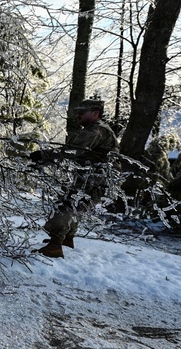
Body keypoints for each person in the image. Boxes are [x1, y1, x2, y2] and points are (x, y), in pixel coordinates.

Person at [31, 99, 119, 258]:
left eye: (82, 112)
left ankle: (55, 246)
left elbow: (72, 151)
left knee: (66, 205)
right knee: (76, 205)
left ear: (95, 114)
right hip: (95, 179)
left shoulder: (95, 130)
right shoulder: (100, 129)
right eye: (77, 111)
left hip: (93, 179)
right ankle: (66, 239)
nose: (77, 115)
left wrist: (43, 155)